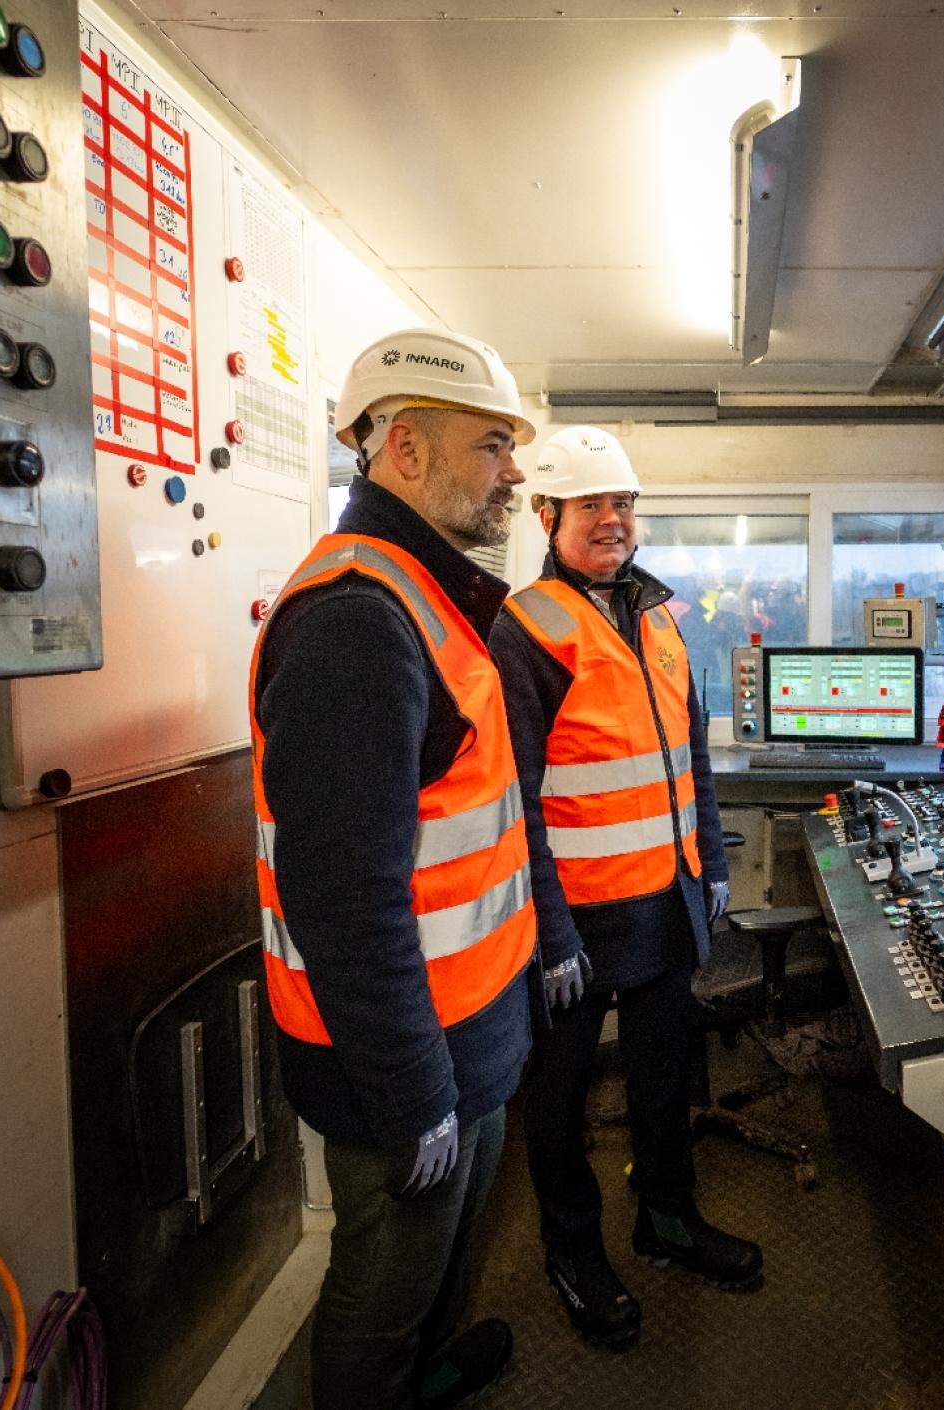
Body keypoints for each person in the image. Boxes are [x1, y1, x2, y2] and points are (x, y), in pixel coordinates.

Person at [251, 327, 563, 1409]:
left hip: (462, 1035)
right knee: (377, 1299)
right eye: (493, 445)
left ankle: (429, 1372)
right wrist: (413, 1090)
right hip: (402, 1060)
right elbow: (344, 898)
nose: (515, 473)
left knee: (437, 1269)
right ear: (407, 453)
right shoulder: (357, 621)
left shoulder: (428, 596)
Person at [491, 424, 760, 1350]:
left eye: (624, 504)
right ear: (547, 514)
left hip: (663, 904)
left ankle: (668, 1218)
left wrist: (713, 867)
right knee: (559, 1103)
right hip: (574, 921)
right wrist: (552, 930)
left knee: (660, 1080)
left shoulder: (659, 619)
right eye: (593, 505)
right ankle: (573, 1251)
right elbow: (515, 801)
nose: (613, 521)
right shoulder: (523, 628)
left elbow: (694, 758)